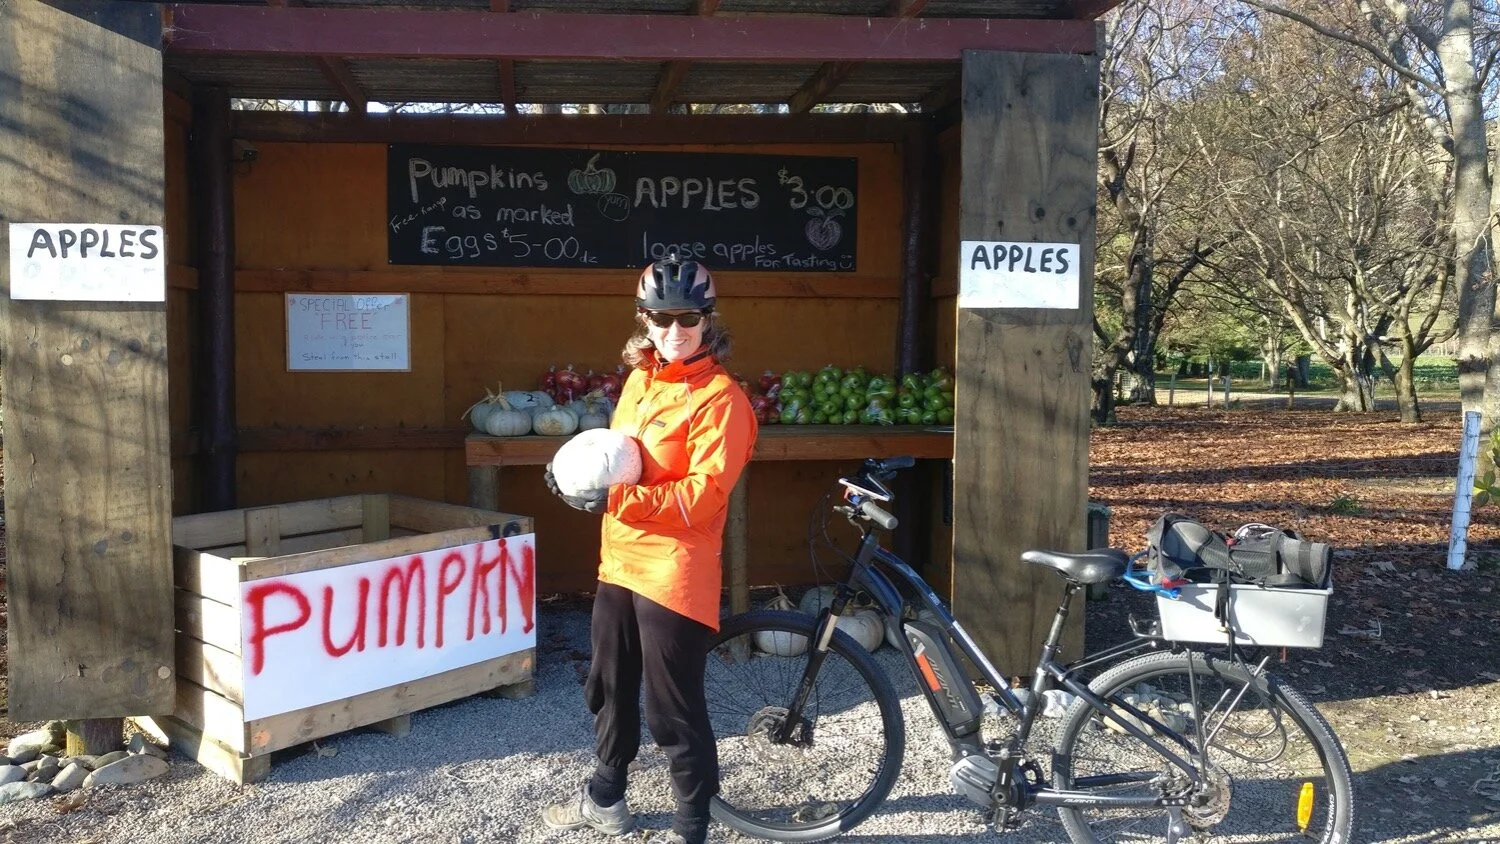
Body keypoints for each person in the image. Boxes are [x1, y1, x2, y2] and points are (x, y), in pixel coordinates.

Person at [542, 252, 758, 844]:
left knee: (672, 711)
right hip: (621, 560)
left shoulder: (722, 400)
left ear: (709, 319)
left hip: (673, 568)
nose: (675, 330)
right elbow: (619, 459)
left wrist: (617, 500)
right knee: (608, 688)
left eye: (688, 317)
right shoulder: (640, 381)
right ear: (644, 319)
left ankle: (691, 828)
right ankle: (605, 799)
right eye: (661, 318)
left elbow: (703, 497)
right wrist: (574, 475)